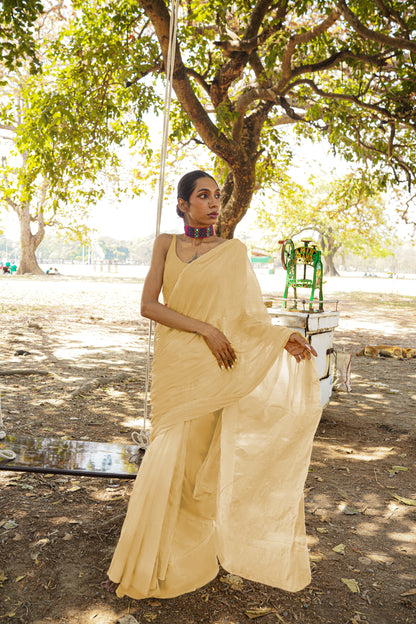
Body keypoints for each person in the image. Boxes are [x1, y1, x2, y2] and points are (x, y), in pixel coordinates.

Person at [105, 170, 321, 600]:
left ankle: (188, 553)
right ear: (183, 203)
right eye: (203, 195)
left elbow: (247, 317)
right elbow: (149, 305)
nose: (213, 202)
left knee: (197, 464)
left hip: (213, 369)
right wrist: (205, 328)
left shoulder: (233, 251)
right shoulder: (165, 244)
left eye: (217, 196)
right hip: (176, 365)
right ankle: (149, 558)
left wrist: (282, 337)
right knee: (167, 456)